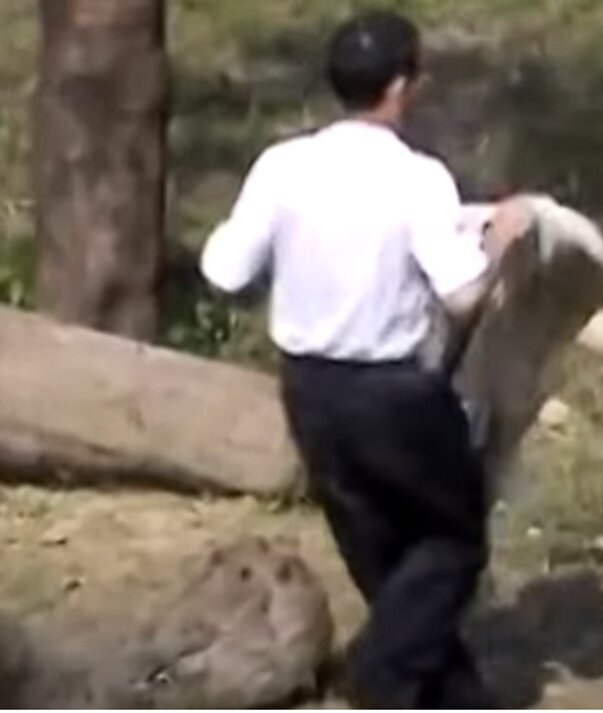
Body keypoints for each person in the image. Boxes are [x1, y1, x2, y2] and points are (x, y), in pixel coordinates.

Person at [199, 10, 529, 708]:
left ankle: (456, 695)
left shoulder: (281, 166)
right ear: (404, 85)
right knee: (452, 539)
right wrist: (500, 238)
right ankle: (378, 677)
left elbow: (226, 271)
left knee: (380, 547)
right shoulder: (418, 178)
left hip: (308, 389)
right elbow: (464, 297)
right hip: (394, 395)